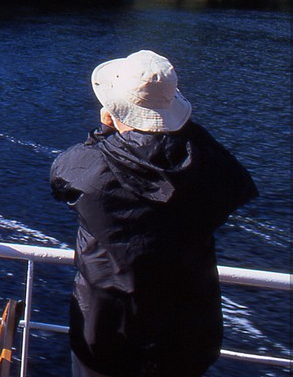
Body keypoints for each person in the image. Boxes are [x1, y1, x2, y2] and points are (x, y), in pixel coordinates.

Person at [50, 50, 257, 377]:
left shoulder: (90, 168)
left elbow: (60, 177)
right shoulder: (208, 169)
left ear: (114, 108)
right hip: (186, 335)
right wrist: (177, 126)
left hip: (107, 331)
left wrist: (105, 133)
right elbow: (238, 184)